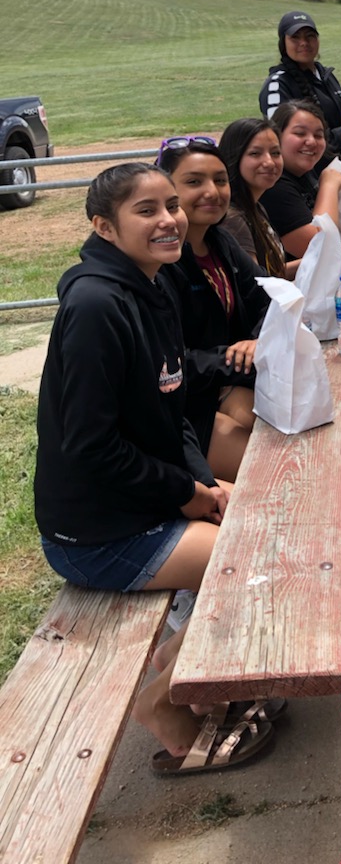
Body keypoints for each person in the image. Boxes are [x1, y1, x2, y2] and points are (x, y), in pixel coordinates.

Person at [34, 163, 276, 774]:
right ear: (104, 227)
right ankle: (163, 706)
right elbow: (89, 446)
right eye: (147, 210)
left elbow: (175, 412)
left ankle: (206, 679)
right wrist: (185, 494)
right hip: (97, 532)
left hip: (143, 501)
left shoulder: (152, 284)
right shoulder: (95, 306)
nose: (169, 218)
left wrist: (202, 482)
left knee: (267, 522)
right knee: (254, 563)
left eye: (171, 205)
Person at [156, 137, 270, 482]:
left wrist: (254, 341)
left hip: (227, 380)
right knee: (271, 472)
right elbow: (165, 362)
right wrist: (233, 360)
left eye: (220, 180)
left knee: (291, 434)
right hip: (184, 405)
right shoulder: (158, 262)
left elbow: (270, 298)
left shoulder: (221, 241)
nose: (212, 191)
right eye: (194, 182)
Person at [258, 10, 341, 159]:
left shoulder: (325, 75)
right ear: (283, 43)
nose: (304, 43)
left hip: (337, 171)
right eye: (295, 37)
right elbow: (280, 141)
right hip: (305, 178)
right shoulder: (278, 84)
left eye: (310, 36)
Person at [259, 101, 341, 260]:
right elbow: (318, 246)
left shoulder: (303, 172)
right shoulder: (274, 184)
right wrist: (329, 186)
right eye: (300, 133)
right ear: (276, 137)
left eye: (319, 135)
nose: (311, 141)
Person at [218, 117, 288, 277]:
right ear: (233, 157)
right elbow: (254, 286)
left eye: (275, 153)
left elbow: (272, 275)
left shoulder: (255, 206)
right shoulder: (233, 219)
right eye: (255, 153)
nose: (269, 162)